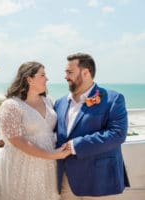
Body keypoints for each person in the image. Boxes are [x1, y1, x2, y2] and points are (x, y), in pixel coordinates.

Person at [54, 53, 130, 200]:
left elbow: (118, 134)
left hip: (100, 181)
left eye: (70, 72)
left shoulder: (113, 99)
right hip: (67, 181)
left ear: (86, 73)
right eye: (65, 72)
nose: (65, 76)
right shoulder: (60, 103)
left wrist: (76, 145)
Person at [0, 61, 71, 200]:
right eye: (42, 75)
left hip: (49, 165)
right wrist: (51, 155)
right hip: (24, 165)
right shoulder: (11, 105)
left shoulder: (48, 101)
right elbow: (17, 141)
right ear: (29, 79)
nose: (47, 79)